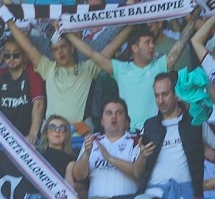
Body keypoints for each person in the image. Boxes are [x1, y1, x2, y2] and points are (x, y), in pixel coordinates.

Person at [66, 21, 197, 130]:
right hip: (127, 135)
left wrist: (194, 15)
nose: (152, 46)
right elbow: (91, 53)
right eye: (147, 42)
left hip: (155, 132)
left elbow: (181, 43)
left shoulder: (159, 66)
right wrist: (66, 33)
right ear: (134, 48)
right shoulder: (120, 68)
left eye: (152, 42)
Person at [135, 72, 215, 199]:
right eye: (157, 96)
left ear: (176, 95)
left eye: (165, 94)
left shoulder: (195, 122)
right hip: (153, 198)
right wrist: (142, 157)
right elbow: (138, 174)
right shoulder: (149, 127)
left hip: (188, 197)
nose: (160, 101)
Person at [73, 98, 141, 199]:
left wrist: (110, 158)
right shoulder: (92, 141)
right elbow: (78, 175)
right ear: (102, 121)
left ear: (126, 120)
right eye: (109, 113)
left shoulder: (136, 141)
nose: (113, 117)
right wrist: (86, 154)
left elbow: (138, 172)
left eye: (119, 113)